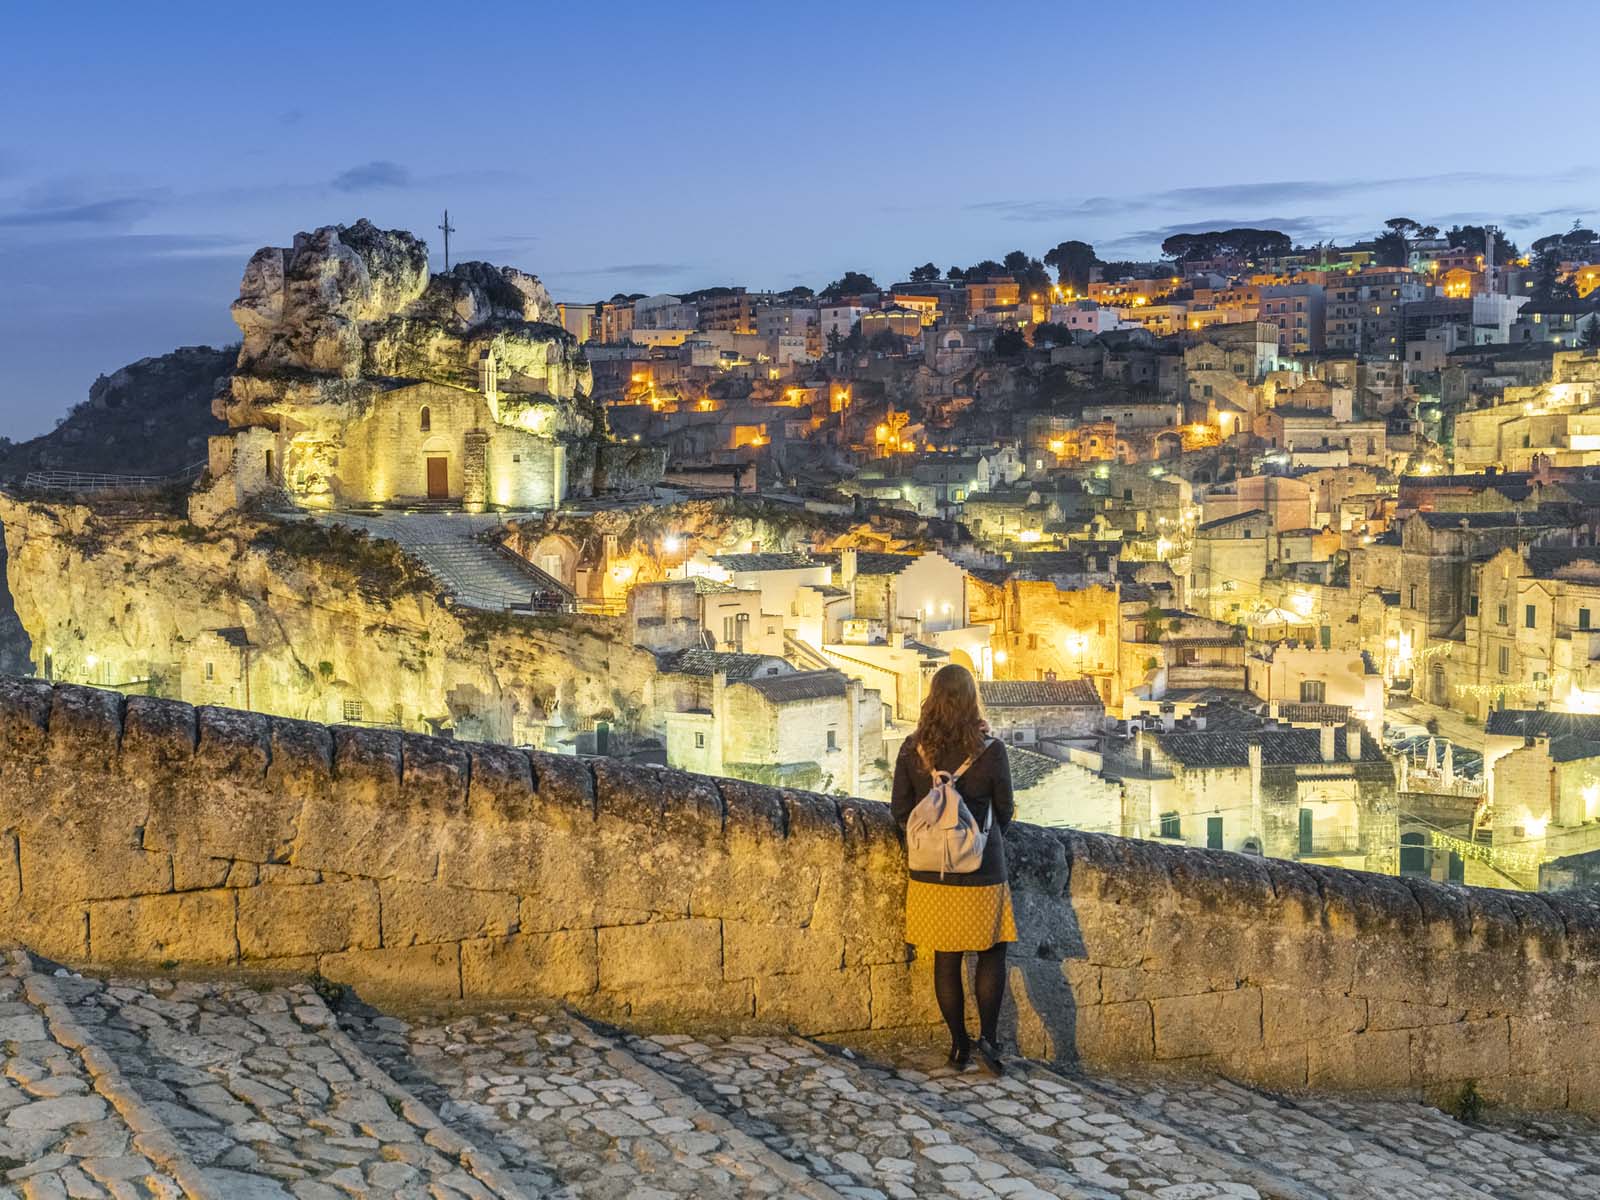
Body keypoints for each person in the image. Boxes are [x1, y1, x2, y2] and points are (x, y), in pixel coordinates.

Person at [890, 663, 1015, 1073]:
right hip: (981, 869)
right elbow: (1006, 811)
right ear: (971, 700)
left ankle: (959, 1046)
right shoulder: (991, 750)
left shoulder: (912, 749)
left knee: (947, 958)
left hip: (932, 873)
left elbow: (900, 812)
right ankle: (990, 1041)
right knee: (992, 951)